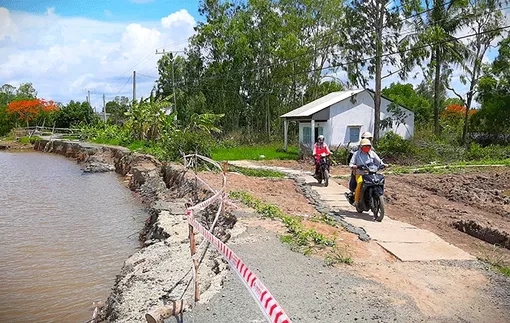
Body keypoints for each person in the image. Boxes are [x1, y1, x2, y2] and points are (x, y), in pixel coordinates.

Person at [348, 138, 384, 206]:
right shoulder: (356, 154)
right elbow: (351, 163)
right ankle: (356, 200)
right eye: (365, 146)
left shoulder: (372, 153)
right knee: (360, 183)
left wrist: (383, 164)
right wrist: (353, 166)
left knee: (378, 182)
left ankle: (378, 196)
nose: (367, 147)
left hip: (371, 174)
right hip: (360, 174)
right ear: (361, 146)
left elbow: (379, 161)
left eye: (368, 146)